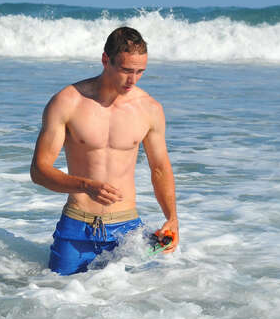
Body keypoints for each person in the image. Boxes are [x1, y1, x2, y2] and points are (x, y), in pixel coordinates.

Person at [31, 26, 178, 275]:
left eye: (140, 72)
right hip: (77, 228)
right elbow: (39, 171)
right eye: (125, 70)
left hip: (128, 232)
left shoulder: (149, 109)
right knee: (58, 299)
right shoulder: (67, 102)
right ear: (105, 60)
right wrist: (86, 186)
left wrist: (172, 217)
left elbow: (160, 168)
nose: (132, 80)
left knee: (136, 304)